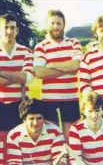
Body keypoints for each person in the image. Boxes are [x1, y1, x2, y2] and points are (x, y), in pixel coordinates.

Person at [6, 98, 67, 165]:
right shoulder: (14, 135)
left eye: (39, 118)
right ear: (24, 120)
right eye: (31, 119)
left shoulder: (55, 131)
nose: (35, 123)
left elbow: (61, 161)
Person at [33, 10, 82, 139]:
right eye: (52, 23)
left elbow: (76, 66)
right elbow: (39, 72)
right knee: (52, 138)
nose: (55, 26)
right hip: (49, 99)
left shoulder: (73, 43)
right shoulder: (40, 46)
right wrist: (66, 67)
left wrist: (50, 65)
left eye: (59, 23)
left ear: (64, 25)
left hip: (70, 98)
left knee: (71, 138)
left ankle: (71, 160)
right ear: (46, 25)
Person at [0, 13, 34, 144]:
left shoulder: (26, 52)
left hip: (20, 102)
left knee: (20, 141)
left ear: (17, 30)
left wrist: (0, 72)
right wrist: (17, 76)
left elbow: (28, 77)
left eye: (12, 28)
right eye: (5, 27)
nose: (9, 31)